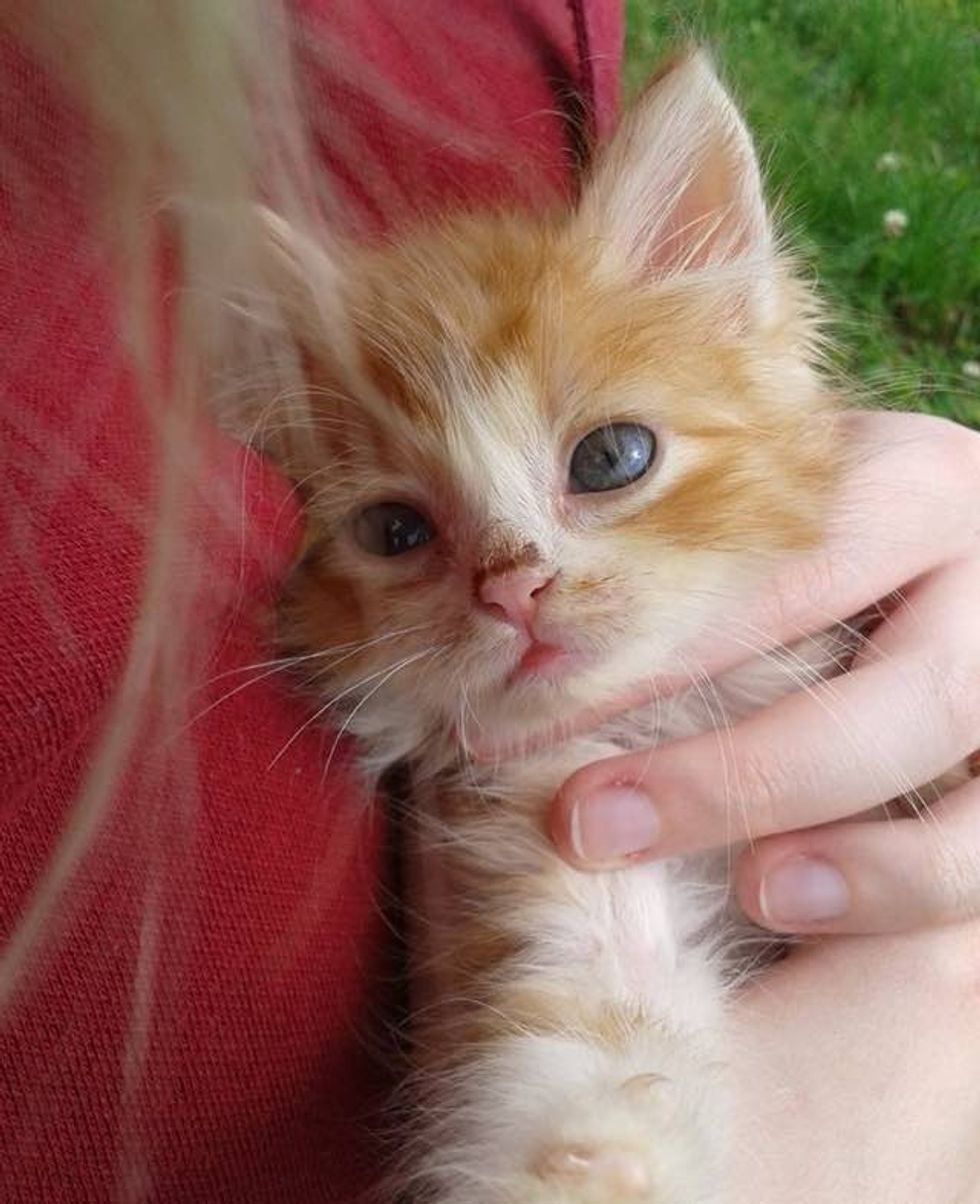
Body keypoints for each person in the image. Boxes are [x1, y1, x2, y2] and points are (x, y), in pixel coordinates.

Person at [1, 3, 977, 1202]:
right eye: (399, 529)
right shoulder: (524, 777)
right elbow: (584, 988)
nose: (514, 583)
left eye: (607, 460)